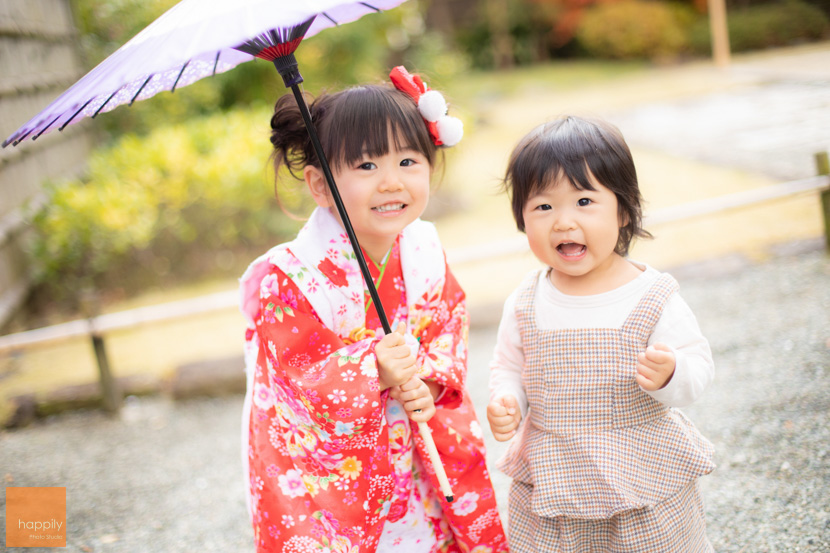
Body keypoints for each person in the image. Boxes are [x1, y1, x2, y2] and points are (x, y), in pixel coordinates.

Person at [239, 67, 508, 553]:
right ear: (321, 186)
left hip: (414, 444)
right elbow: (297, 379)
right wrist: (370, 366)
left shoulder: (423, 247)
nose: (391, 183)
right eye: (366, 167)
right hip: (338, 473)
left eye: (408, 161)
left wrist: (427, 380)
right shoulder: (295, 275)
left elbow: (447, 322)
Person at [487, 115, 716, 552]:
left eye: (584, 201)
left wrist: (672, 373)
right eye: (543, 206)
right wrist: (509, 399)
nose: (563, 222)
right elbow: (509, 366)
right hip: (555, 476)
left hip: (640, 472)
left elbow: (699, 367)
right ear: (522, 218)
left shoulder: (651, 295)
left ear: (624, 209)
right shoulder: (526, 300)